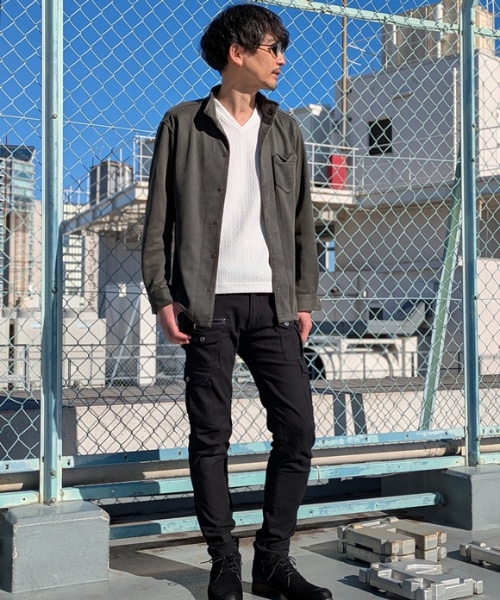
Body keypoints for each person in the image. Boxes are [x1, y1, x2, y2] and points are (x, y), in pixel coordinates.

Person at [142, 4, 332, 600]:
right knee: (211, 436)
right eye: (274, 47)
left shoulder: (286, 129)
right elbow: (158, 221)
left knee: (297, 431)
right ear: (238, 52)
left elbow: (302, 222)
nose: (283, 59)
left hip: (275, 305)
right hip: (208, 306)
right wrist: (161, 295)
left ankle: (272, 561)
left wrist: (304, 297)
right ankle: (223, 560)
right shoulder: (182, 123)